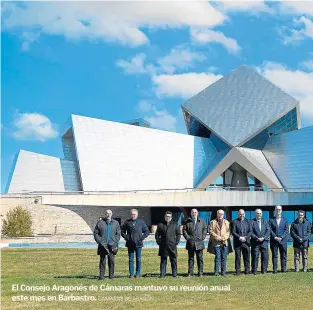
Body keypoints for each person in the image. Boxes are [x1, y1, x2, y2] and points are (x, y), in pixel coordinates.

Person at [121, 209, 150, 278]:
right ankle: (131, 274)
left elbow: (147, 231)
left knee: (138, 259)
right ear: (130, 215)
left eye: (134, 214)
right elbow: (122, 231)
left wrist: (141, 238)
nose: (133, 215)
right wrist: (127, 238)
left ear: (137, 215)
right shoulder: (127, 222)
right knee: (131, 259)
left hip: (138, 244)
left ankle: (137, 274)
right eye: (132, 214)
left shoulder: (141, 222)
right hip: (130, 244)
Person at [93, 209, 121, 280]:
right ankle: (101, 276)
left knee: (111, 261)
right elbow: (96, 233)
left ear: (112, 214)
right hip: (103, 245)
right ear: (105, 214)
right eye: (107, 213)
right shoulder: (100, 222)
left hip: (112, 245)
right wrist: (99, 241)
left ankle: (111, 276)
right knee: (102, 261)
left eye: (110, 213)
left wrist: (115, 241)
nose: (108, 214)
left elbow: (118, 233)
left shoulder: (116, 223)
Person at [155, 211, 181, 278]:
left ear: (171, 217)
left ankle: (174, 273)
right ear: (165, 217)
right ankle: (162, 273)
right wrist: (158, 242)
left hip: (172, 245)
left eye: (169, 216)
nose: (168, 218)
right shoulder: (160, 224)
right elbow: (157, 235)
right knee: (163, 260)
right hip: (163, 246)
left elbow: (178, 234)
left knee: (173, 260)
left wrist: (176, 242)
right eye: (167, 216)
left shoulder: (175, 224)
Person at [182, 209, 207, 277]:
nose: (194, 213)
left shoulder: (202, 221)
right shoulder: (187, 221)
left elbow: (205, 229)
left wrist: (203, 237)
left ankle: (200, 273)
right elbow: (184, 230)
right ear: (191, 213)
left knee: (200, 258)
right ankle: (190, 272)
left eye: (195, 212)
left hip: (199, 242)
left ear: (197, 213)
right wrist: (188, 238)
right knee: (191, 258)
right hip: (190, 243)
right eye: (193, 212)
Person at [207, 209, 232, 276]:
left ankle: (223, 272)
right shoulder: (212, 222)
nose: (220, 215)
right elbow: (210, 231)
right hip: (216, 242)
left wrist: (223, 238)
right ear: (217, 214)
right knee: (217, 257)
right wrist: (217, 237)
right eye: (219, 213)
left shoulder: (227, 222)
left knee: (224, 257)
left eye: (222, 214)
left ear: (223, 215)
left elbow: (228, 232)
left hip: (224, 242)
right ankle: (216, 272)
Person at [269, 205, 289, 273]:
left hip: (283, 241)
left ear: (281, 210)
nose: (278, 211)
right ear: (275, 210)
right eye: (277, 209)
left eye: (279, 209)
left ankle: (283, 269)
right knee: (274, 255)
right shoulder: (271, 220)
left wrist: (281, 237)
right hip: (274, 241)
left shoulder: (285, 220)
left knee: (283, 255)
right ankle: (275, 269)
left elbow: (286, 230)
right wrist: (275, 237)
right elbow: (270, 230)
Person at [232, 209, 252, 275]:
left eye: (243, 214)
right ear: (238, 214)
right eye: (240, 214)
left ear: (244, 214)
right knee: (238, 258)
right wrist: (239, 237)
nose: (241, 215)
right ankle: (238, 271)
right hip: (238, 243)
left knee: (247, 257)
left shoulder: (248, 221)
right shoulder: (235, 221)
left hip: (246, 242)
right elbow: (233, 232)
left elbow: (250, 231)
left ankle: (247, 271)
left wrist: (245, 237)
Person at [250, 209, 270, 274]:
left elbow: (268, 231)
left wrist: (263, 238)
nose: (259, 215)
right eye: (257, 213)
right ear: (255, 214)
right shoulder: (252, 221)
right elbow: (250, 232)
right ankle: (254, 270)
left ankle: (264, 270)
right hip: (255, 242)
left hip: (264, 242)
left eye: (260, 213)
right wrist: (257, 238)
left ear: (262, 214)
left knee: (265, 256)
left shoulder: (265, 221)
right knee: (255, 256)